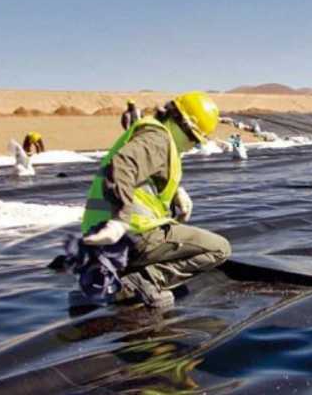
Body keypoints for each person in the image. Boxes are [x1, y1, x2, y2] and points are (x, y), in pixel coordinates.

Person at [77, 91, 231, 308]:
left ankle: (127, 273)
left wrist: (176, 191)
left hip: (102, 238)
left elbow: (143, 170)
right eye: (194, 140)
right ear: (183, 125)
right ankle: (144, 280)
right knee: (219, 248)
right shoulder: (158, 139)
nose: (191, 147)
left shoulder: (154, 132)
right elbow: (122, 166)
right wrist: (120, 220)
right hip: (130, 235)